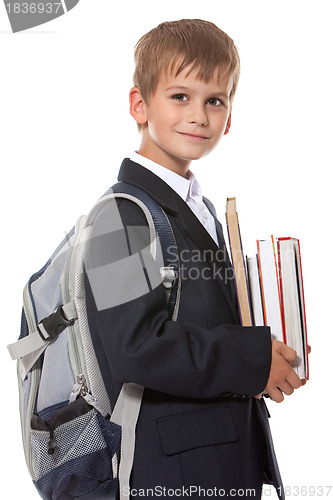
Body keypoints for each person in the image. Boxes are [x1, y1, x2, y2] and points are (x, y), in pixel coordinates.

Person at [85, 19, 306, 499]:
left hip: (221, 459)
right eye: (180, 97)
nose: (199, 116)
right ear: (139, 105)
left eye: (215, 100)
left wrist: (270, 355)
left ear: (229, 117)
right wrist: (250, 360)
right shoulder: (117, 216)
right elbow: (136, 346)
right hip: (171, 472)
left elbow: (202, 324)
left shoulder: (201, 207)